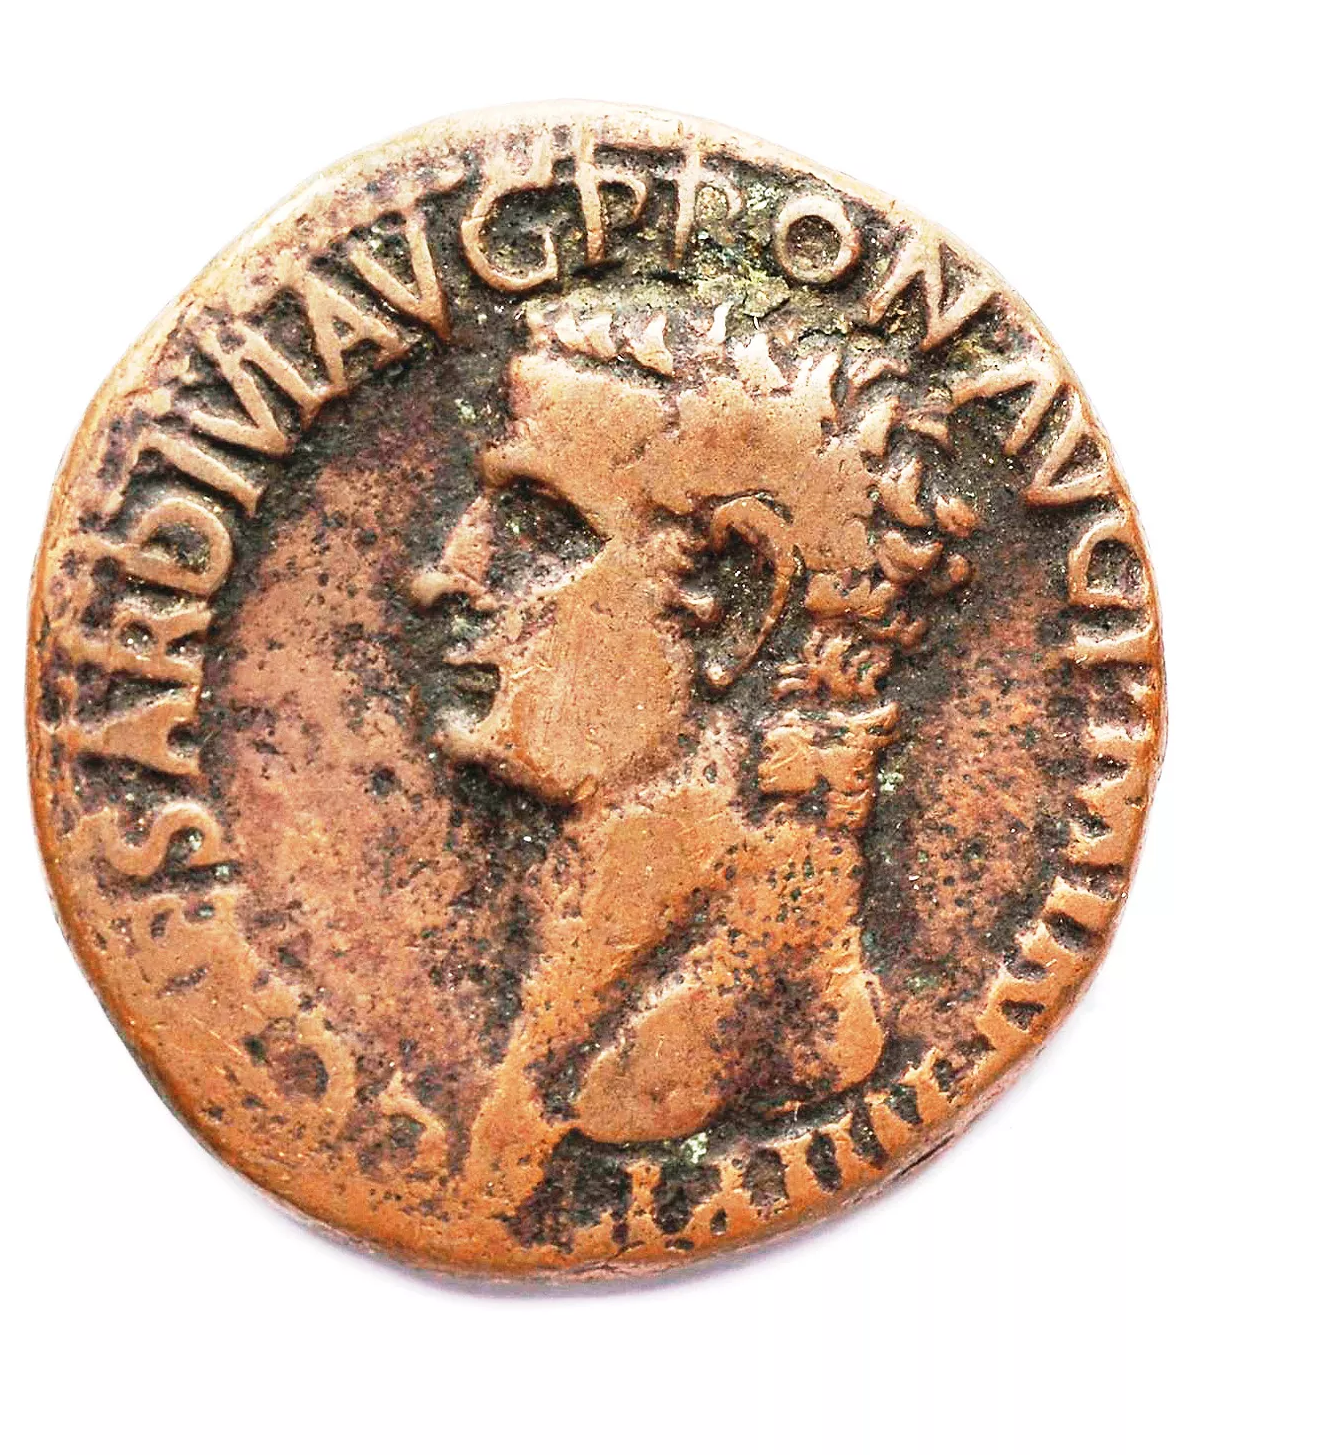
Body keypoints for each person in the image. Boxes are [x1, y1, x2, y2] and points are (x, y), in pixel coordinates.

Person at [411, 299, 976, 1207]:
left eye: (539, 528)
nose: (445, 573)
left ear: (735, 603)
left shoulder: (723, 1041)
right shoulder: (591, 1007)